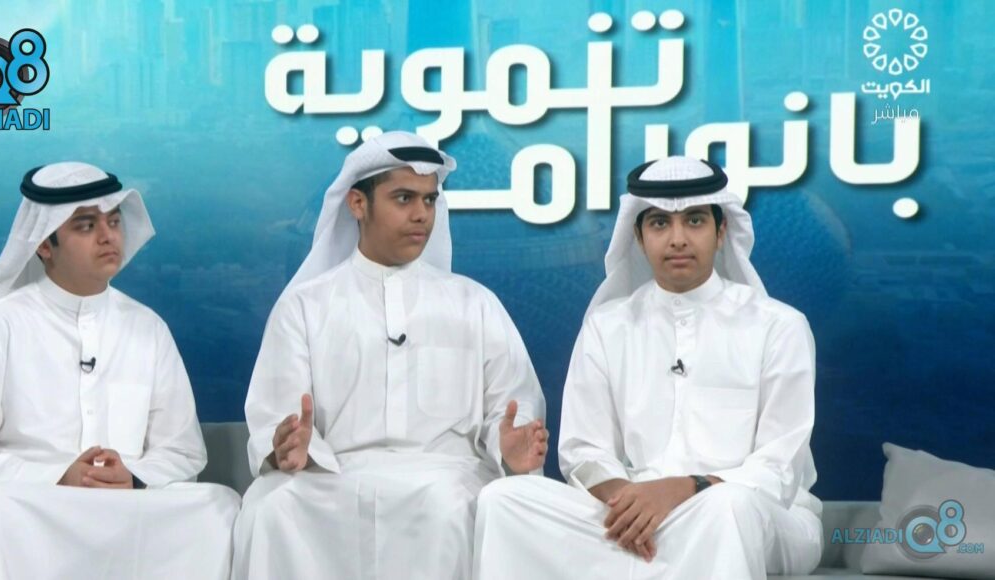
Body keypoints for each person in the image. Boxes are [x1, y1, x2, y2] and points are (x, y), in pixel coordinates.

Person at [473, 156, 822, 579]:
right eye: (659, 224)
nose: (677, 239)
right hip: (635, 505)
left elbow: (777, 468)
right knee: (504, 499)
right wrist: (632, 504)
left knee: (728, 507)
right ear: (638, 237)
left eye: (695, 221)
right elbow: (585, 452)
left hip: (757, 512)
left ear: (721, 231)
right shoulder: (607, 326)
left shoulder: (779, 326)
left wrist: (681, 489)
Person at [233, 132, 548, 580]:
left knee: (452, 506)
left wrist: (509, 448)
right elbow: (276, 415)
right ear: (357, 204)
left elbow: (512, 407)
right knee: (271, 506)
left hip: (448, 476)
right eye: (404, 198)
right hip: (331, 473)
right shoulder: (304, 306)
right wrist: (290, 447)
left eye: (429, 200)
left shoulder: (474, 303)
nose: (421, 214)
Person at [0, 161, 241, 580]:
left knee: (218, 505)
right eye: (87, 226)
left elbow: (183, 452)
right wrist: (58, 477)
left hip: (122, 506)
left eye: (114, 221)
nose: (108, 236)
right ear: (44, 244)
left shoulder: (148, 328)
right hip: (30, 504)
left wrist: (134, 477)